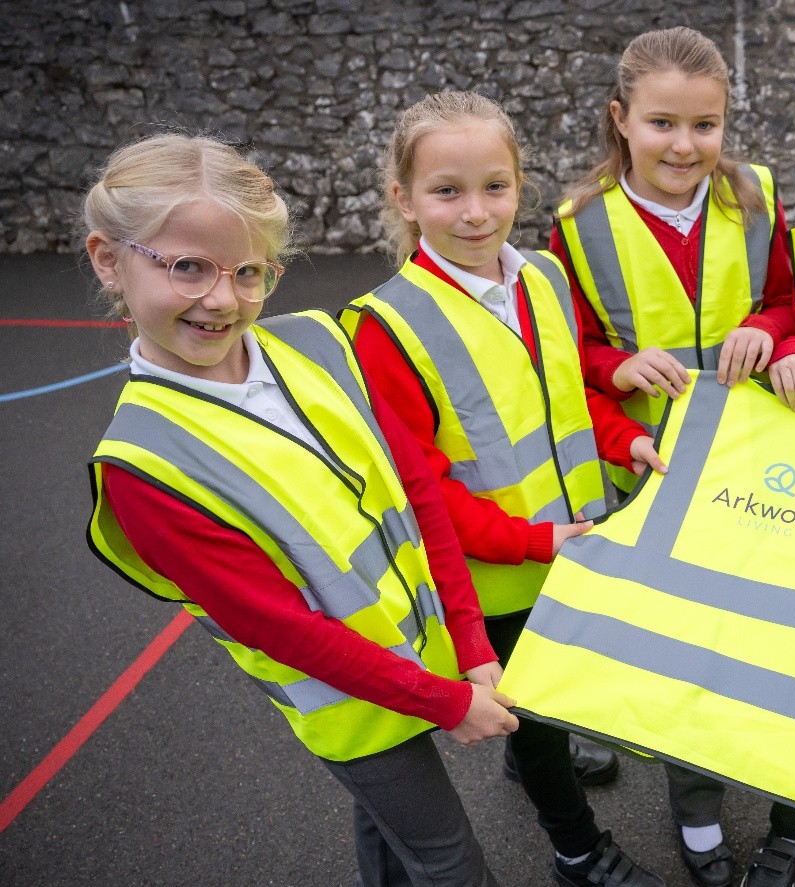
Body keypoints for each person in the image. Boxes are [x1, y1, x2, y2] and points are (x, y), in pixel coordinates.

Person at [82, 134, 517, 887]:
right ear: (108, 259)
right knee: (447, 856)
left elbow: (416, 493)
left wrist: (470, 639)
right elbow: (280, 628)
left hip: (429, 656)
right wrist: (446, 701)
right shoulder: (142, 466)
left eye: (249, 272)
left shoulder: (319, 341)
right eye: (188, 266)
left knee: (393, 834)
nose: (223, 298)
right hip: (353, 706)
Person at [343, 91, 667, 887]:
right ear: (403, 199)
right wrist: (532, 540)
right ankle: (577, 850)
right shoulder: (383, 324)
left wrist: (626, 438)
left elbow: (567, 398)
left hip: (574, 543)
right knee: (526, 710)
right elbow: (425, 493)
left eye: (495, 185)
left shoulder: (545, 277)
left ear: (520, 184)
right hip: (495, 575)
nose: (476, 211)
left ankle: (535, 758)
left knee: (551, 702)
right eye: (446, 191)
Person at [550, 26, 795, 887]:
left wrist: (772, 331)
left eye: (705, 126)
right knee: (680, 651)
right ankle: (696, 813)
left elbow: (788, 306)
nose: (684, 144)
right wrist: (614, 370)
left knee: (769, 642)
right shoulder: (576, 225)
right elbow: (566, 356)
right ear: (620, 119)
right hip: (649, 474)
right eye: (662, 123)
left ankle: (782, 790)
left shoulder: (758, 199)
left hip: (754, 467)